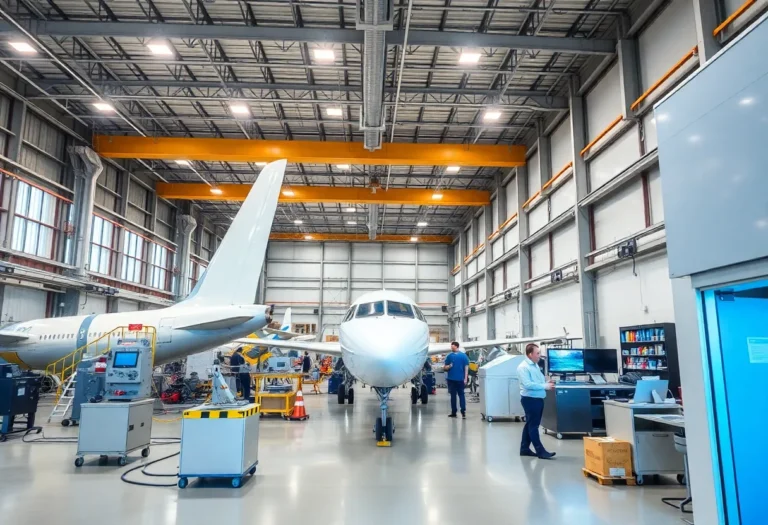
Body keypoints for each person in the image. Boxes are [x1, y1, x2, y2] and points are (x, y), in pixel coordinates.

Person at [517, 344, 556, 459]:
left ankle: (524, 448)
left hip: (538, 398)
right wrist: (545, 386)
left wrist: (546, 380)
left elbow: (537, 379)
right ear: (530, 354)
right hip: (530, 399)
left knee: (530, 424)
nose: (540, 355)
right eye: (537, 353)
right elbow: (527, 384)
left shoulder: (535, 365)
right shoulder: (523, 367)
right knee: (534, 426)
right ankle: (540, 451)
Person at [444, 341, 469, 419]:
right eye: (451, 347)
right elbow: (445, 367)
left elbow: (466, 368)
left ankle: (462, 411)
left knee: (460, 395)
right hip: (452, 379)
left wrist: (465, 378)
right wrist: (449, 366)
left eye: (453, 346)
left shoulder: (463, 356)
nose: (451, 348)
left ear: (457, 346)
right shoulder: (449, 356)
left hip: (458, 379)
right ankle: (454, 412)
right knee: (454, 396)